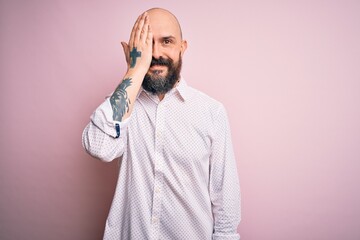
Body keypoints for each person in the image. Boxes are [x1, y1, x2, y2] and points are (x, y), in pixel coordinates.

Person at [82, 7, 241, 240]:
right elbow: (99, 147)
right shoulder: (121, 107)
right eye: (147, 43)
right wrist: (134, 70)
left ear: (182, 47)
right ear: (132, 50)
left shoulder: (211, 112)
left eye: (166, 41)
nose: (155, 53)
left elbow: (225, 196)